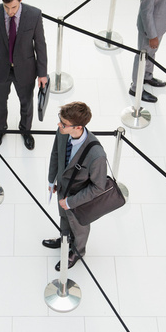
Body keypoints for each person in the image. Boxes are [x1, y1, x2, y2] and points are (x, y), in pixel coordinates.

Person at [0, 0, 48, 150]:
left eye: (14, 7)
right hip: (0, 68)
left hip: (25, 69)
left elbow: (40, 45)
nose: (10, 12)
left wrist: (42, 74)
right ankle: (0, 129)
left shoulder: (34, 15)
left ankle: (26, 131)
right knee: (0, 103)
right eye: (6, 7)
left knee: (27, 102)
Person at [42, 102, 107, 271]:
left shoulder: (96, 155)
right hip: (63, 191)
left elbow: (98, 187)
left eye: (63, 123)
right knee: (64, 218)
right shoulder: (63, 132)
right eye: (60, 120)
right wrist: (52, 181)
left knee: (80, 228)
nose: (59, 125)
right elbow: (56, 153)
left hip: (80, 201)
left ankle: (77, 251)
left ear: (78, 127)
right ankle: (64, 239)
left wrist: (70, 202)